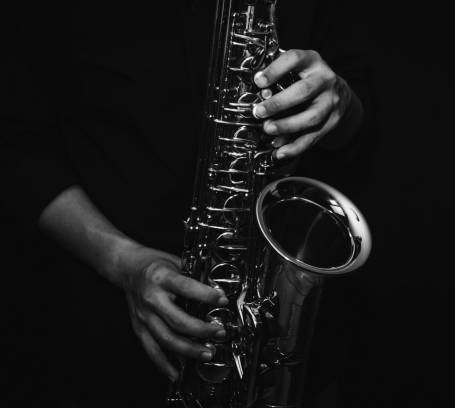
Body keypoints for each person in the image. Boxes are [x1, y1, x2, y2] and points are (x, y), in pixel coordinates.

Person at [1, 1, 371, 407]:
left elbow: (366, 117)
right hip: (91, 329)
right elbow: (18, 149)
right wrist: (125, 263)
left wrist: (341, 103)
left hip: (282, 332)